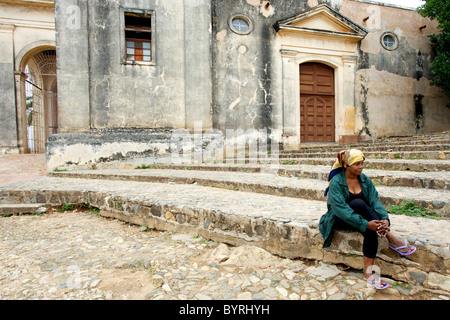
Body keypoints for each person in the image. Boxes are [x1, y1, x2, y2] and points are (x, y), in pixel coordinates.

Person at [319, 149, 416, 289]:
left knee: (371, 229)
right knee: (359, 207)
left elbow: (375, 201)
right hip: (339, 219)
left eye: (362, 163)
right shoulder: (337, 182)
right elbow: (341, 210)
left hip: (359, 218)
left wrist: (384, 219)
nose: (361, 167)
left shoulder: (364, 180)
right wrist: (365, 223)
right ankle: (391, 237)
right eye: (357, 164)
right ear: (347, 165)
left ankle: (368, 274)